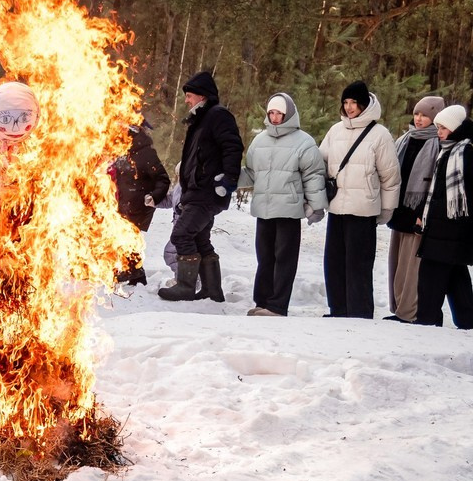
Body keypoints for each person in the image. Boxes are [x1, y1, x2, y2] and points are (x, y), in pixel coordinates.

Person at [237, 93, 327, 316]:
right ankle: (262, 301)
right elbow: (250, 173)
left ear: (289, 114)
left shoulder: (304, 142)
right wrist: (228, 179)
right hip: (264, 209)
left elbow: (314, 175)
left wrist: (316, 206)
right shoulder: (259, 141)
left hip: (288, 210)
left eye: (279, 113)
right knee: (264, 257)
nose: (275, 117)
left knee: (284, 259)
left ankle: (277, 305)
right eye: (272, 113)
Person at [158, 71, 243, 302]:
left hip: (207, 191)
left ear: (202, 96)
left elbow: (233, 147)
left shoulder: (218, 115)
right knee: (200, 239)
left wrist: (228, 180)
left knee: (182, 234)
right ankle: (212, 290)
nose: (186, 100)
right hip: (196, 191)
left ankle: (185, 286)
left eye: (189, 95)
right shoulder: (200, 119)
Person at [318, 80, 401, 319]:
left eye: (354, 102)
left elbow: (390, 176)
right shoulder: (335, 131)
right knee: (333, 263)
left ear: (364, 104)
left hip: (363, 209)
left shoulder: (380, 134)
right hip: (337, 207)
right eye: (345, 102)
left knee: (359, 265)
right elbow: (320, 163)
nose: (349, 107)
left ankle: (360, 312)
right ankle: (339, 309)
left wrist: (387, 209)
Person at [385, 95, 444, 322]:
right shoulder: (405, 139)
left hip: (418, 213)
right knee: (397, 263)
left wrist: (421, 212)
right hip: (399, 210)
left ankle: (409, 312)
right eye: (417, 114)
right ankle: (398, 306)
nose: (419, 119)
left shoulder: (437, 143)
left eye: (425, 116)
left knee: (411, 268)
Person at [414, 105, 473, 328]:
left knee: (431, 276)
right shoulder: (449, 150)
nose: (439, 132)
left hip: (453, 227)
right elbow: (436, 191)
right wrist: (423, 213)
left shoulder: (465, 152)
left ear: (455, 128)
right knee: (456, 277)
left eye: (443, 127)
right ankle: (468, 323)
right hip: (442, 227)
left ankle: (427, 322)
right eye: (438, 127)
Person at [109, 119, 171, 285]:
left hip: (139, 204)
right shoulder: (122, 152)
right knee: (121, 236)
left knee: (129, 236)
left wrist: (154, 197)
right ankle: (132, 271)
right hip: (123, 203)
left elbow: (163, 178)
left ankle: (134, 271)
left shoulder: (145, 153)